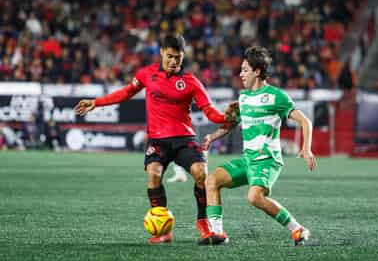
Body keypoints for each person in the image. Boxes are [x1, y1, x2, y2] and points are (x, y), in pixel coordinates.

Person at [74, 34, 232, 244]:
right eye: (170, 56)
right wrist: (96, 102)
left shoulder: (192, 82)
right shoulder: (147, 74)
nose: (174, 61)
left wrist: (226, 118)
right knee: (154, 174)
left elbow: (210, 111)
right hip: (157, 141)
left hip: (184, 139)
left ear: (183, 56)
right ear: (161, 53)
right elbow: (126, 92)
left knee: (201, 173)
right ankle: (163, 229)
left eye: (178, 57)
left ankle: (203, 222)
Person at [198, 46, 316, 246]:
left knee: (254, 197)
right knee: (212, 181)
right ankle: (218, 234)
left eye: (245, 70)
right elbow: (231, 124)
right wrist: (213, 136)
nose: (240, 74)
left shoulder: (276, 96)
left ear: (257, 72)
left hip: (267, 161)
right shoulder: (243, 98)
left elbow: (306, 122)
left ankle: (298, 229)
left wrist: (306, 149)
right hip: (248, 159)